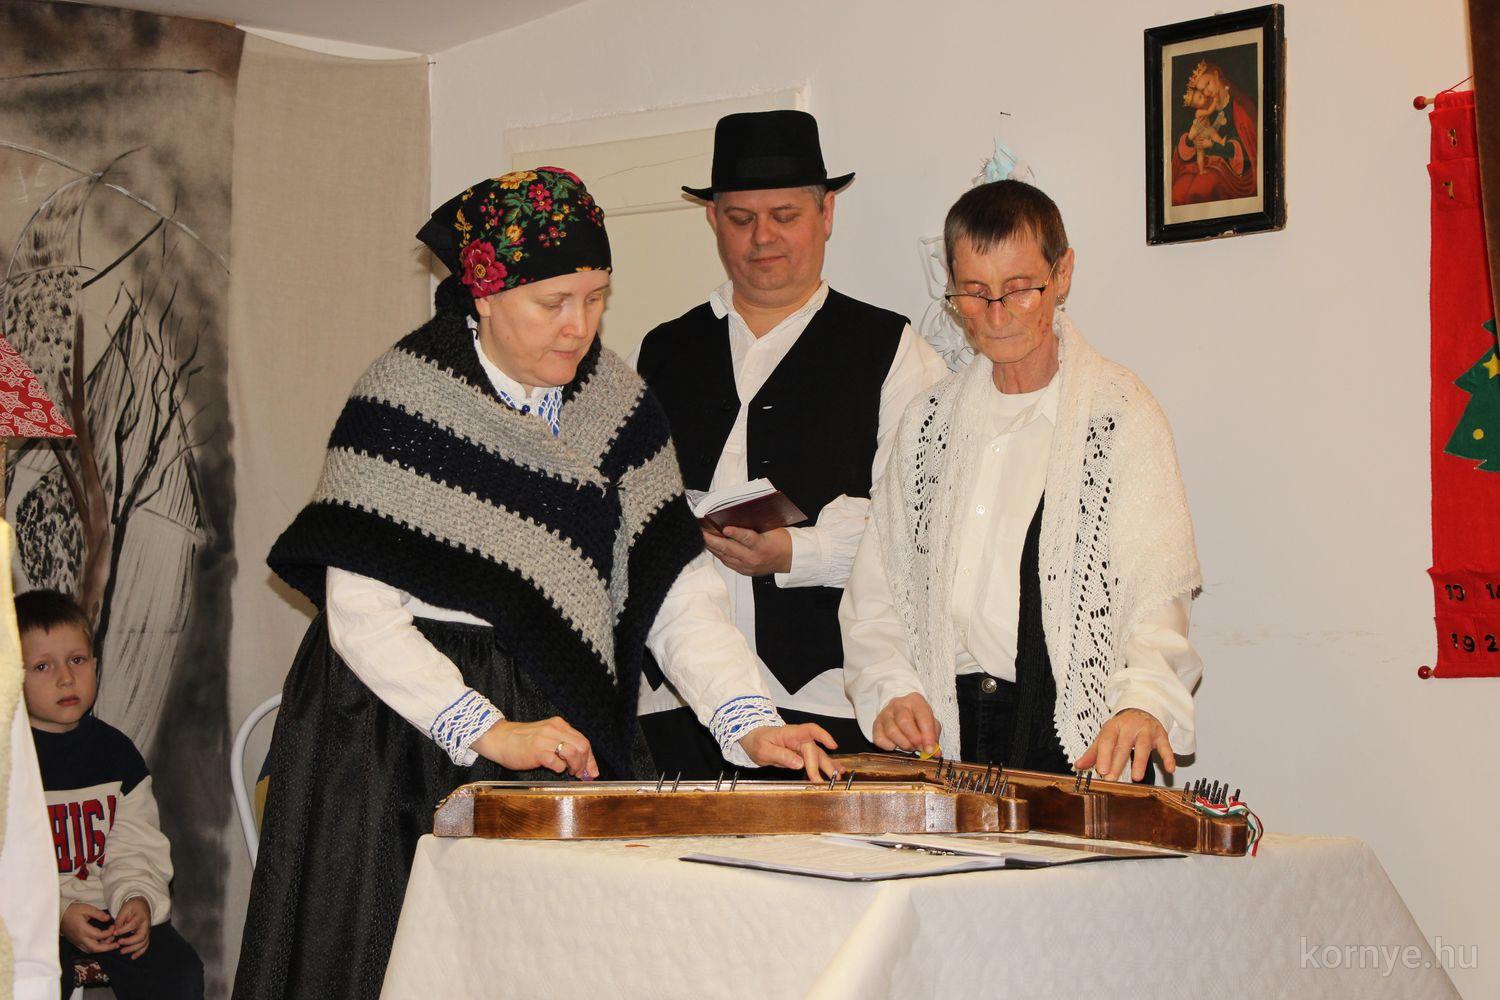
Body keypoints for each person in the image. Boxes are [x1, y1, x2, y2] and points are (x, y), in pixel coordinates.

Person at [234, 167, 839, 1000]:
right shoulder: (404, 403)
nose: (578, 326)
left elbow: (671, 586)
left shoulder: (616, 406)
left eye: (595, 298)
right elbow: (360, 614)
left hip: (562, 721)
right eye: (551, 303)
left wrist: (745, 717)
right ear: (484, 295)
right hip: (402, 740)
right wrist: (486, 731)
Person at [840, 179, 1204, 782]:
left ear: (1062, 274)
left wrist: (1144, 701)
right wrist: (890, 688)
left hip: (1076, 734)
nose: (997, 314)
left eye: (1018, 289)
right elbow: (878, 589)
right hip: (948, 728)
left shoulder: (1118, 415)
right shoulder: (928, 423)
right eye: (974, 292)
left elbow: (1156, 592)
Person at [634, 111, 946, 777]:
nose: (762, 237)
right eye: (740, 218)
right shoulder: (663, 349)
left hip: (827, 700)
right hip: (676, 702)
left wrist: (794, 553)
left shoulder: (892, 350)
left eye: (784, 215)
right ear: (712, 220)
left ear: (826, 213)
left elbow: (918, 534)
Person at [18, 589, 204, 1000]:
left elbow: (134, 846)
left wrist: (135, 899)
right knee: (25, 978)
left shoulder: (117, 755)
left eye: (77, 660)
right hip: (27, 917)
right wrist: (58, 914)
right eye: (43, 666)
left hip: (107, 907)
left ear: (96, 665)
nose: (66, 678)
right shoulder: (9, 763)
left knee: (177, 972)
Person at [1172, 59, 1257, 206]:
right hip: (1205, 163)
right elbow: (1193, 139)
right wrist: (1190, 139)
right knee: (1178, 191)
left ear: (1216, 75)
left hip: (1229, 171)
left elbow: (1245, 150)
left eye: (1208, 84)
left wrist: (1212, 146)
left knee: (1199, 190)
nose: (1207, 92)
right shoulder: (1206, 105)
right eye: (1202, 90)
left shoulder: (1239, 104)